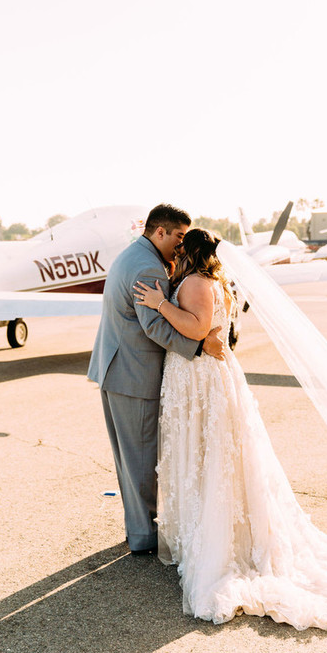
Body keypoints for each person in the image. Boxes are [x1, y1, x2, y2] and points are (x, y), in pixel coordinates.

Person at [134, 228, 327, 628]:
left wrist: (159, 305)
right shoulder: (213, 281)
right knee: (209, 455)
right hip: (205, 375)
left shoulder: (197, 283)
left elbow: (198, 328)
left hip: (200, 377)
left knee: (209, 454)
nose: (176, 252)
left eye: (181, 247)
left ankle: (218, 542)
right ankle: (204, 531)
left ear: (190, 252)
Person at [88, 205, 224, 556]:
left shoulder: (133, 254)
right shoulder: (148, 267)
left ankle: (138, 530)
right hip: (134, 374)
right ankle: (144, 537)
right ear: (159, 231)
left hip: (116, 368)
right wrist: (200, 346)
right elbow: (154, 327)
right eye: (178, 236)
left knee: (129, 459)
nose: (181, 245)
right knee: (141, 460)